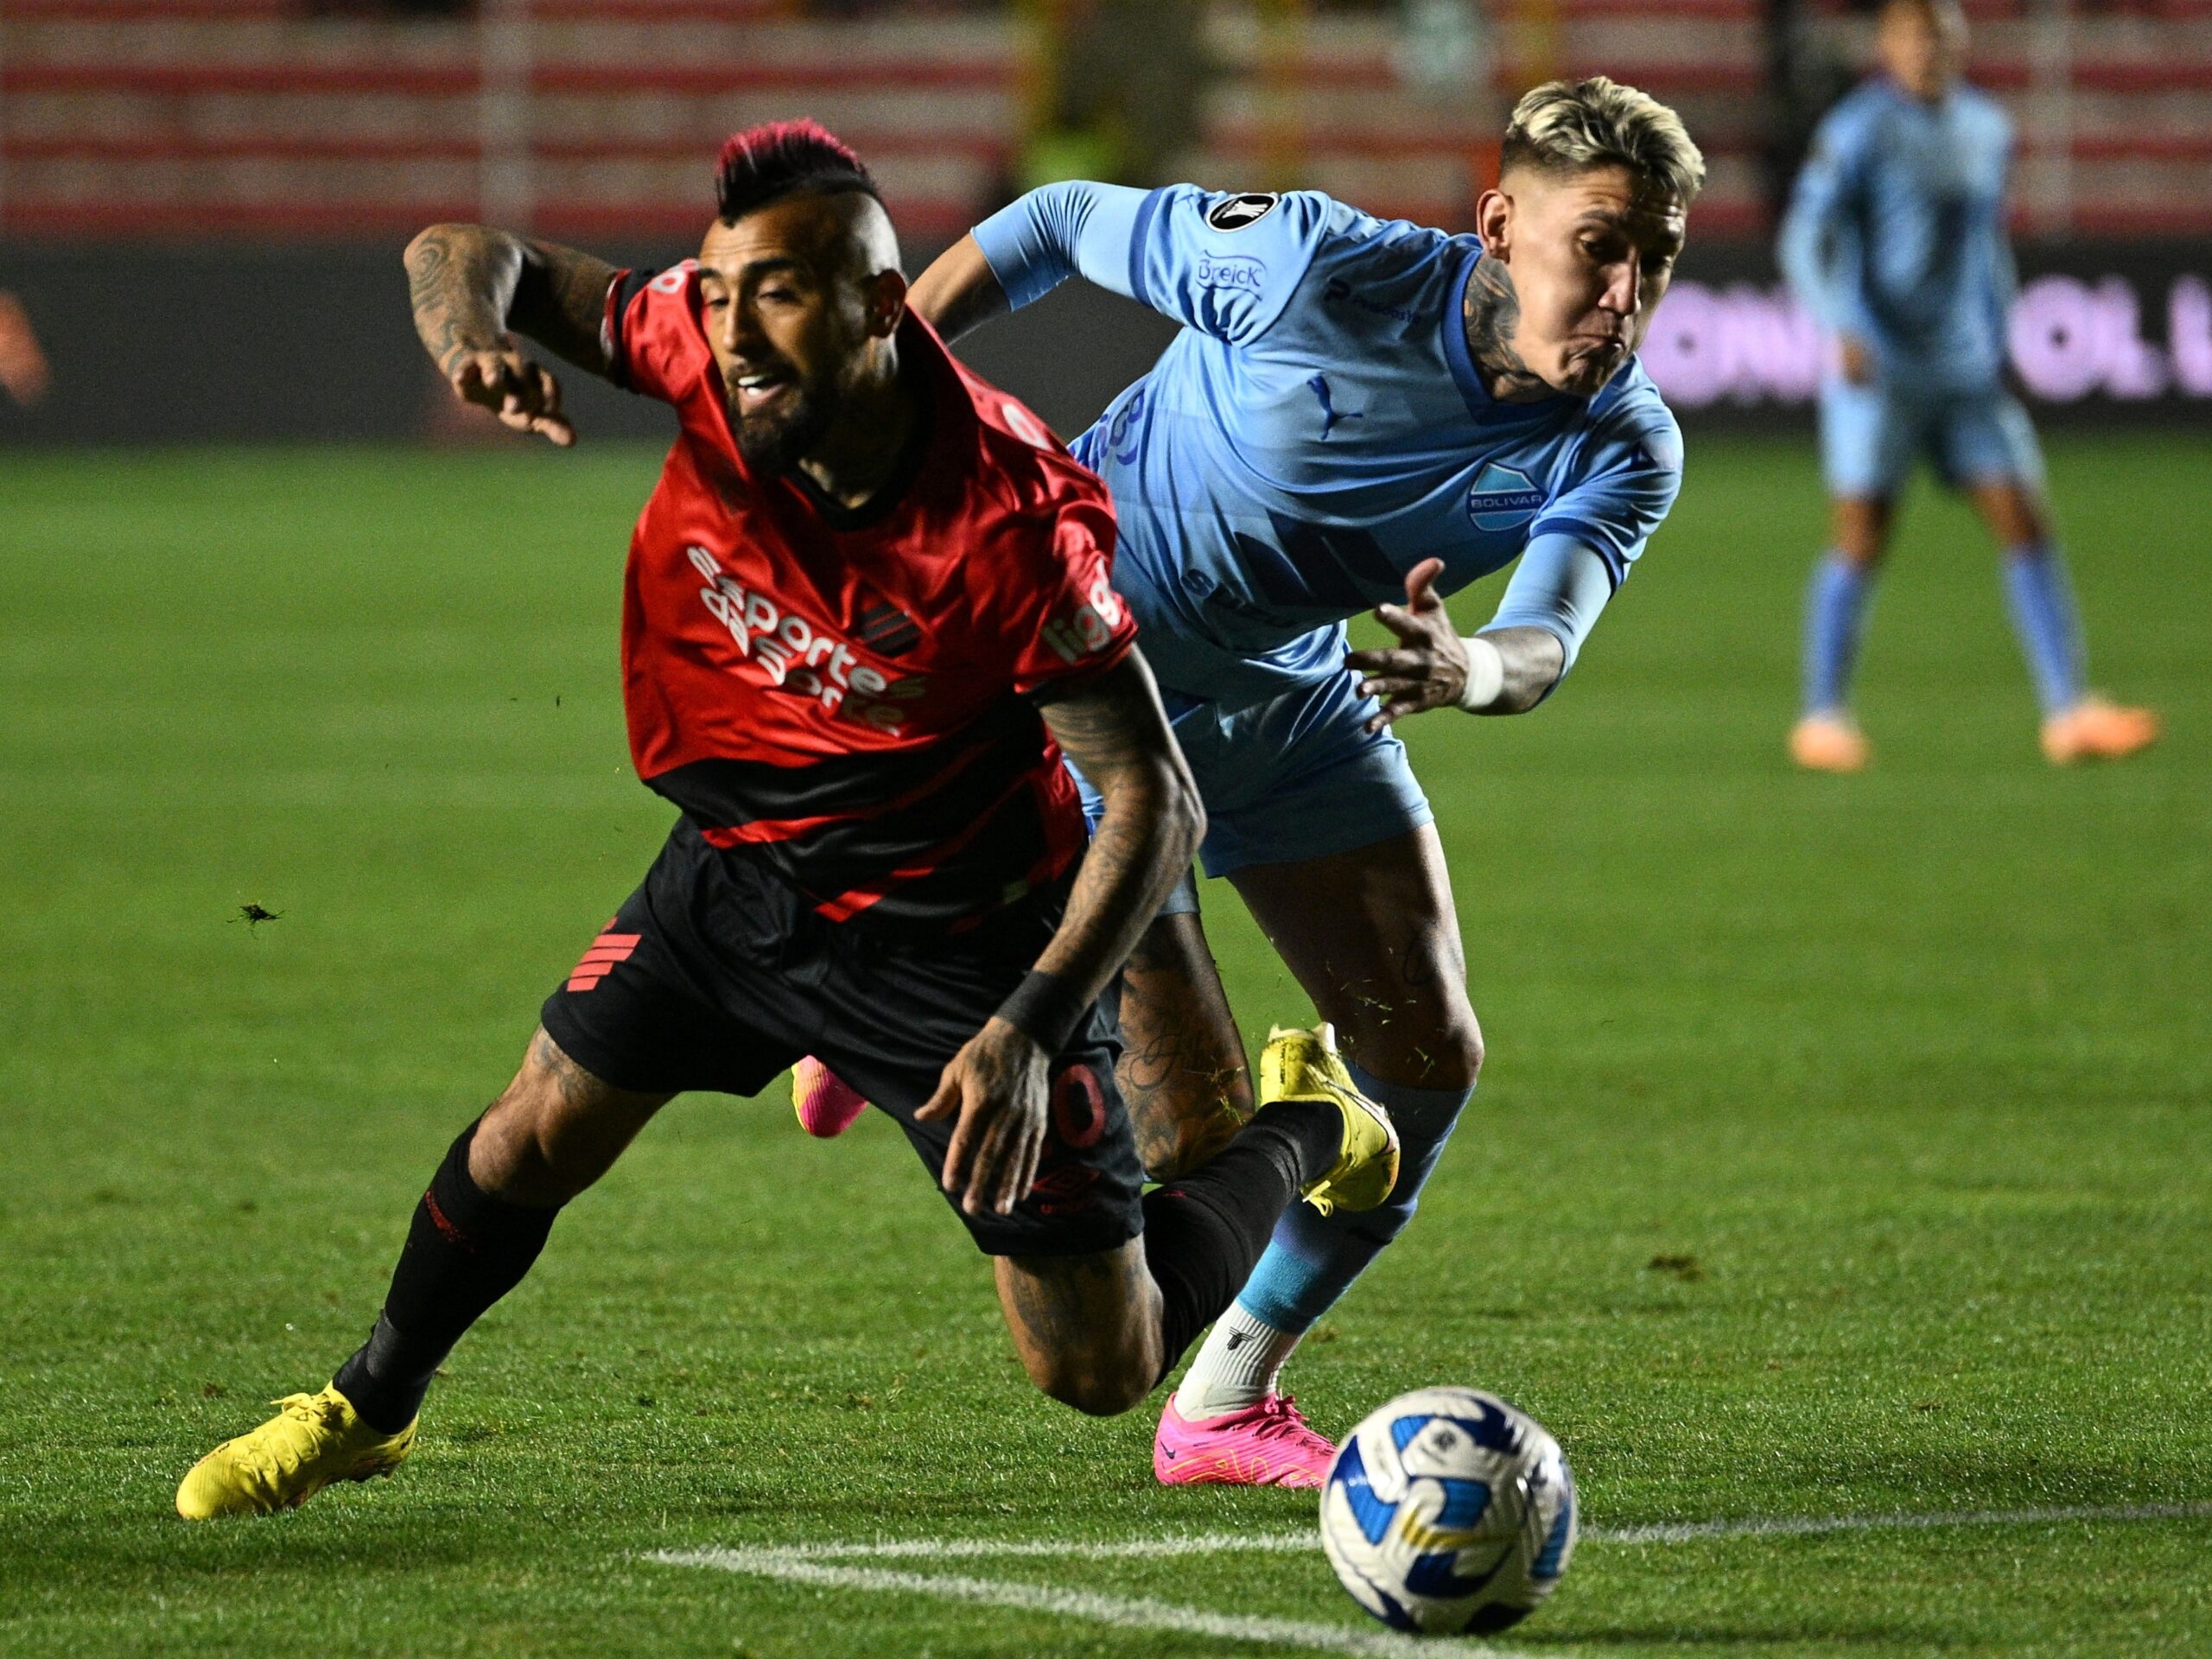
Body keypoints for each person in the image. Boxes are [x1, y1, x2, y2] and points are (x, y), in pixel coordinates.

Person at [175, 121, 1398, 1520]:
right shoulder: (704, 349)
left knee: (1098, 1366)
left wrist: (1030, 1028)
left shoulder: (1008, 519)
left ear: (882, 305)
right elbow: (463, 255)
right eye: (714, 293)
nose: (734, 333)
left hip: (960, 942)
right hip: (740, 874)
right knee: (529, 1135)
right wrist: (467, 340)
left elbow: (1153, 796)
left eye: (778, 294)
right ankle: (366, 1404)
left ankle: (1310, 1117)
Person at [803, 77, 1703, 1486]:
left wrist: (1473, 672)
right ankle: (899, 953)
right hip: (1085, 679)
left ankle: (1223, 1401)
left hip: (1286, 695)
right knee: (1209, 1149)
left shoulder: (1622, 440)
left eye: (1656, 255)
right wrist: (885, 385)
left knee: (1428, 1055)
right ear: (1500, 226)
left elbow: (1544, 636)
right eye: (1600, 244)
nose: (1628, 290)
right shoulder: (1305, 268)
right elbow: (1054, 224)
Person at [1778, 0, 2158, 772]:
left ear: (1962, 42)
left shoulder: (1988, 127)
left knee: (2024, 518)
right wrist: (1837, 325)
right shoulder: (1858, 129)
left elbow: (1987, 246)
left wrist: (2005, 334)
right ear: (1887, 45)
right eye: (1915, 36)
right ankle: (1822, 717)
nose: (1929, 49)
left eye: (1942, 35)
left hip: (1964, 368)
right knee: (1862, 536)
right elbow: (1802, 237)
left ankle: (2068, 710)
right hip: (1880, 368)